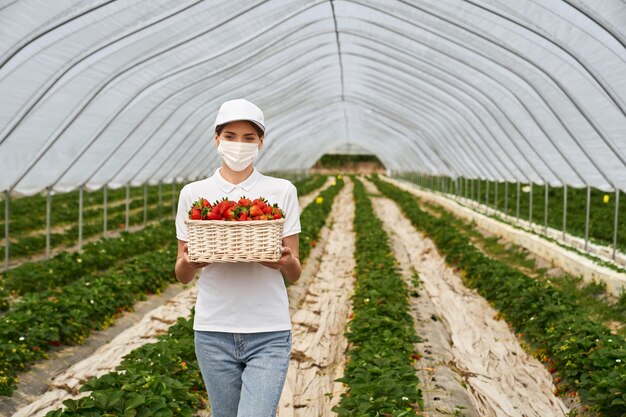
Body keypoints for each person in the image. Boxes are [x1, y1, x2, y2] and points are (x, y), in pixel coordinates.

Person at [174, 98, 302, 417]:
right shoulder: (194, 194)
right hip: (212, 330)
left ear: (260, 142)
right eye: (230, 136)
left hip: (269, 330)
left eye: (249, 138)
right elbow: (181, 273)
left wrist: (284, 262)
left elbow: (295, 271)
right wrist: (191, 262)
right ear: (216, 139)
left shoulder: (281, 190)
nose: (239, 144)